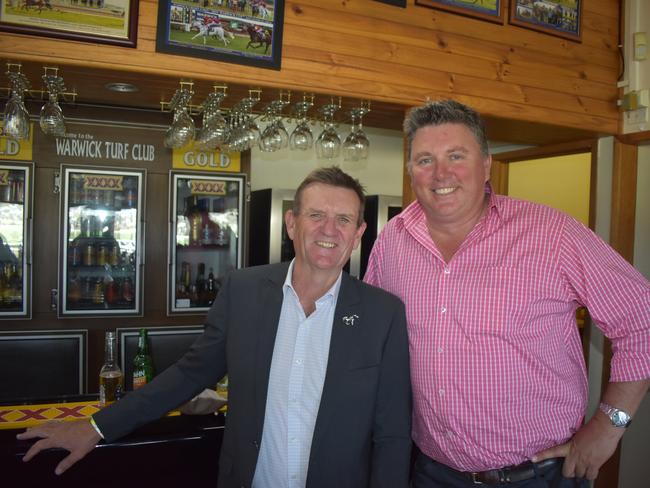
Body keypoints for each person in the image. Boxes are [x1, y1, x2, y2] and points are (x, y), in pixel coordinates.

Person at [18, 167, 412, 488]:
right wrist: (96, 426)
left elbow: (392, 434)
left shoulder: (383, 314)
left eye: (343, 219)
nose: (330, 230)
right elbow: (189, 374)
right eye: (316, 215)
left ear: (359, 234)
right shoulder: (244, 291)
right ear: (292, 224)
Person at [364, 99, 650, 487]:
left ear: (486, 165)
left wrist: (609, 424)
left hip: (540, 475)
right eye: (424, 159)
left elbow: (642, 318)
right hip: (432, 471)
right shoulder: (392, 241)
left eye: (456, 155)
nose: (440, 173)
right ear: (411, 170)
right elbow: (373, 340)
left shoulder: (552, 234)